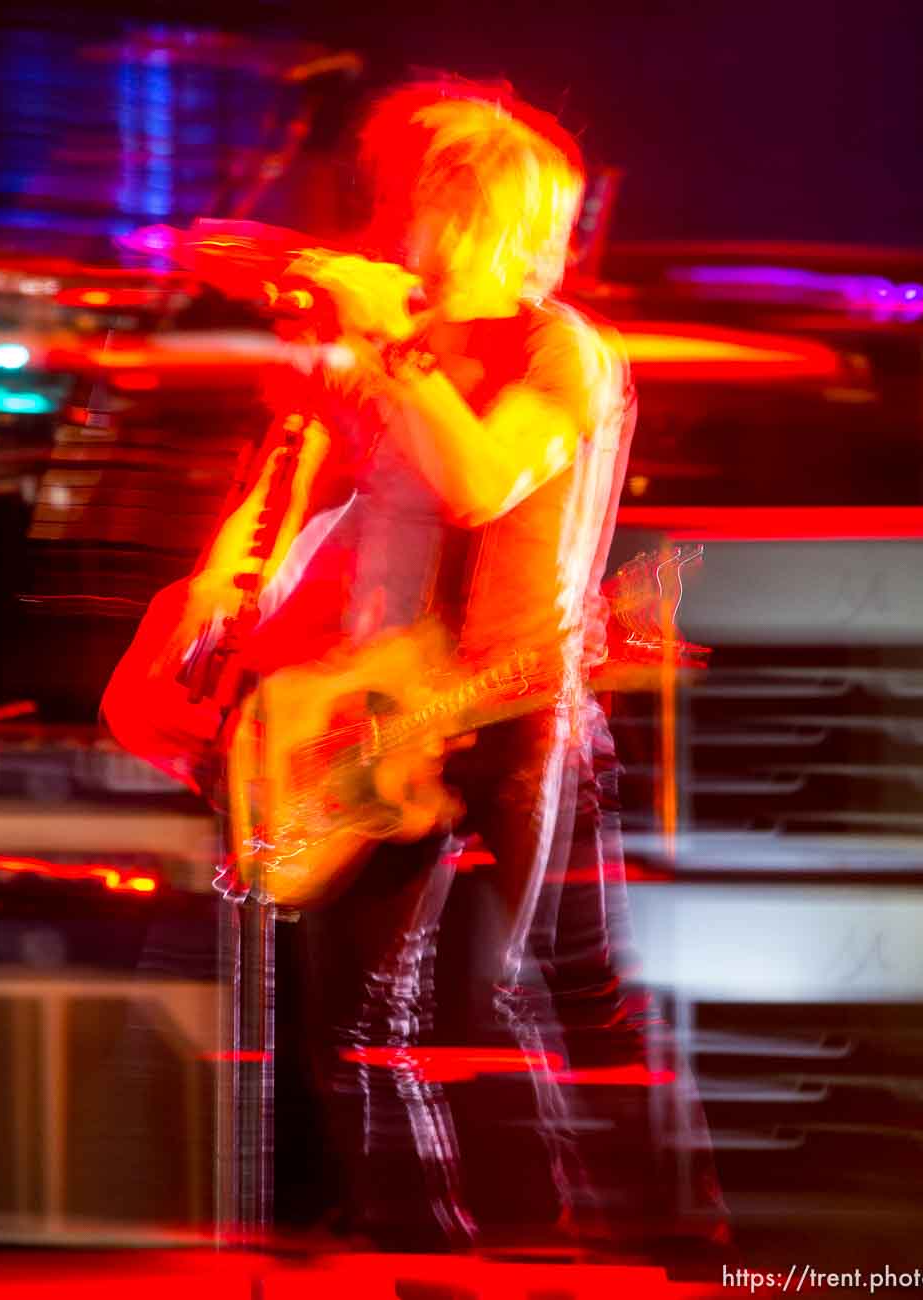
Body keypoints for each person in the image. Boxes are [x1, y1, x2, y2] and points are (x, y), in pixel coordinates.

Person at [104, 79, 709, 1254]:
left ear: (477, 215)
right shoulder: (386, 353)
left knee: (497, 996)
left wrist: (387, 346)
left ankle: (606, 1241)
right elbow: (272, 527)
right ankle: (426, 1246)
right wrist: (166, 641)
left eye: (420, 202)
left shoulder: (560, 349)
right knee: (356, 1014)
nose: (393, 225)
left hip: (516, 713)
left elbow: (479, 480)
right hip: (384, 714)